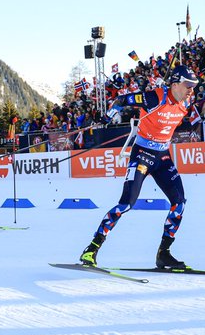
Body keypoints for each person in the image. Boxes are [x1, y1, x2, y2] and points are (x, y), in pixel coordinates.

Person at [79, 64, 198, 270]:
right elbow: (122, 100)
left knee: (179, 203)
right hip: (142, 155)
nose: (191, 90)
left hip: (162, 157)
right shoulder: (154, 98)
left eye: (194, 86)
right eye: (188, 85)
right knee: (126, 204)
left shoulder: (186, 103)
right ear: (175, 83)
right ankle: (92, 249)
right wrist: (108, 117)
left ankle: (164, 254)